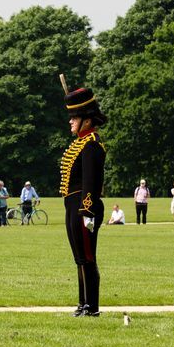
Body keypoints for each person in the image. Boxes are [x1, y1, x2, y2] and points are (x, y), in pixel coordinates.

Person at [59, 86, 107, 317]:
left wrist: (86, 211)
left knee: (87, 258)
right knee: (79, 258)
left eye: (75, 118)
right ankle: (83, 303)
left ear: (87, 121)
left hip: (84, 207)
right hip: (73, 205)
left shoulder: (92, 145)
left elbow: (91, 183)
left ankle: (92, 306)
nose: (71, 122)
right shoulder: (81, 143)